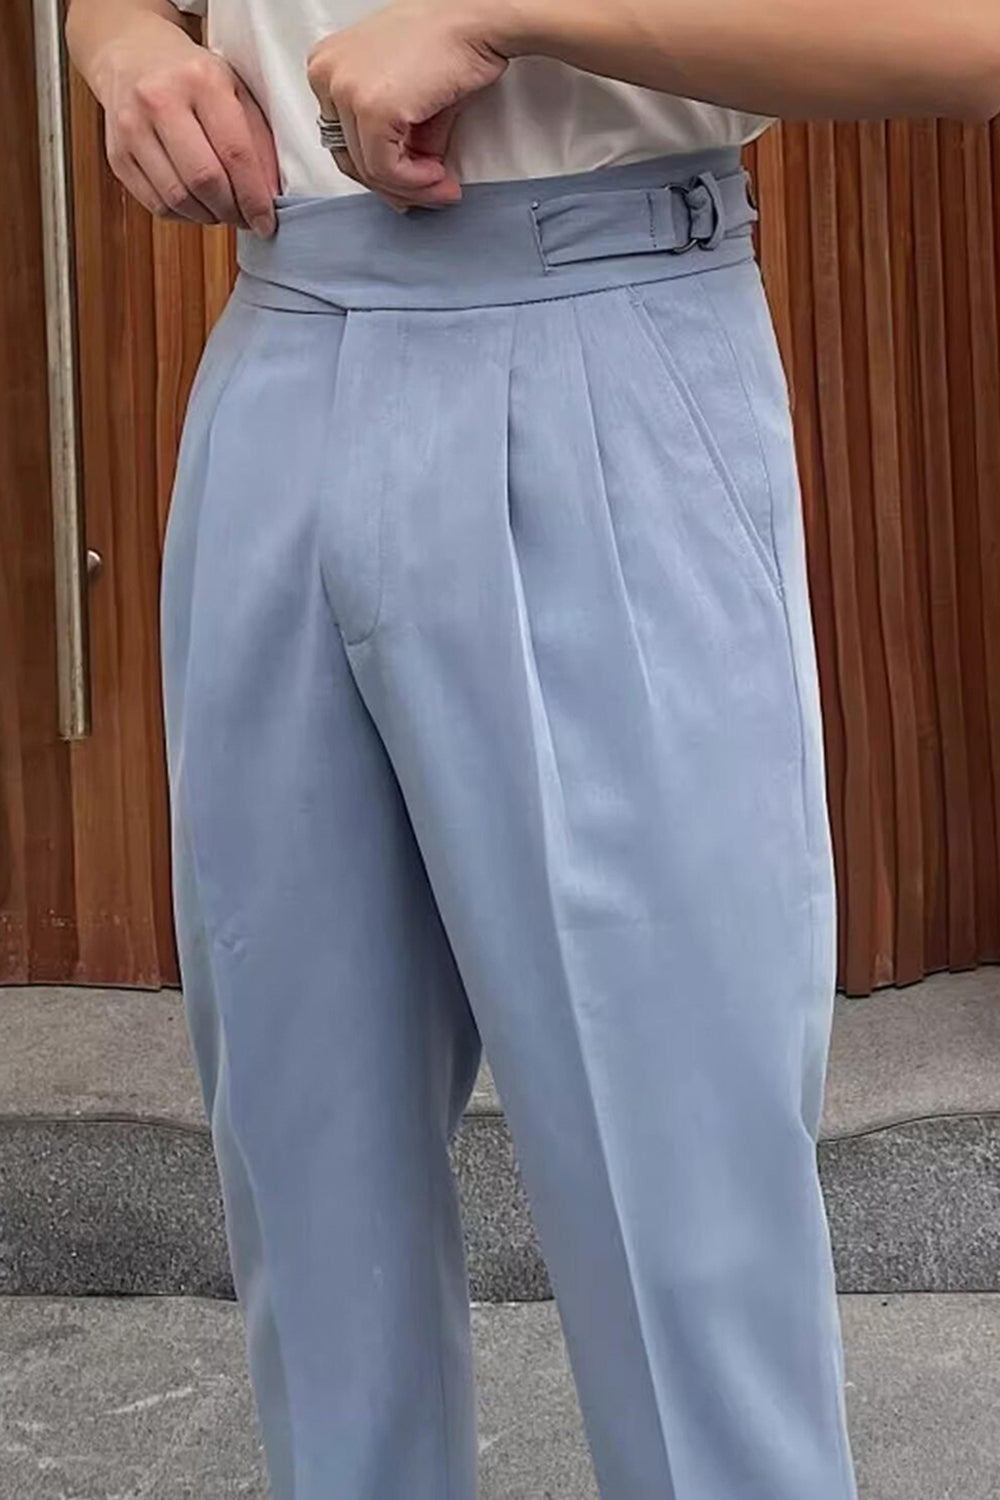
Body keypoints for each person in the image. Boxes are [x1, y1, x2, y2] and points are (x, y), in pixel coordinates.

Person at [65, 3, 999, 1497]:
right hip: (280, 350)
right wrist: (121, 50)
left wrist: (508, 16)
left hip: (604, 339)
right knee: (311, 1191)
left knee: (683, 1206)